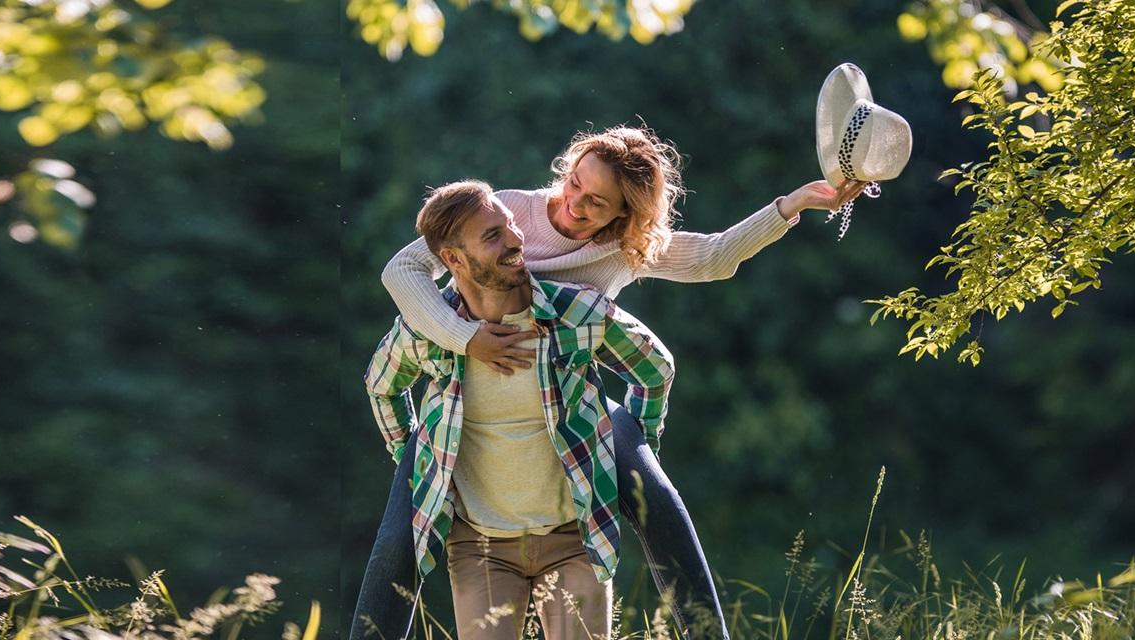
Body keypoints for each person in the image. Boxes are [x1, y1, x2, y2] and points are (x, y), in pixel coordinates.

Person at [354, 124, 862, 639]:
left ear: (624, 215)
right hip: (467, 374)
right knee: (400, 534)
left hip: (577, 396)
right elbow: (402, 271)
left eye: (596, 202)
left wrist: (793, 204)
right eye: (574, 182)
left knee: (656, 499)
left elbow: (714, 257)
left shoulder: (623, 249)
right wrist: (464, 338)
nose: (573, 204)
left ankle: (706, 632)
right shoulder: (507, 211)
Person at [363, 180, 675, 640]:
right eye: (492, 236)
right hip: (479, 545)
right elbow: (380, 386)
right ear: (453, 260)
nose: (514, 240)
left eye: (509, 224)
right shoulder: (425, 331)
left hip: (575, 537)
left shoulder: (577, 313)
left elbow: (655, 370)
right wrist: (413, 457)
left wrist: (633, 454)